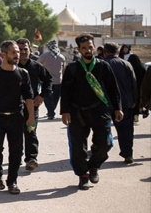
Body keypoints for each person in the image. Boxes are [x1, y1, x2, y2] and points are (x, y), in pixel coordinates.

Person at [60, 33, 123, 190]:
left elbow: (113, 89)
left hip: (99, 109)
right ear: (79, 50)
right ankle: (83, 175)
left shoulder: (103, 66)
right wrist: (65, 111)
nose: (88, 50)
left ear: (94, 47)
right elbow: (65, 91)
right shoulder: (72, 68)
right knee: (77, 147)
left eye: (90, 47)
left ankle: (94, 166)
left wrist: (117, 108)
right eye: (84, 48)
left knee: (105, 143)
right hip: (76, 111)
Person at [0, 40, 35, 194]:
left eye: (18, 51)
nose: (18, 54)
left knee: (16, 151)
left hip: (17, 117)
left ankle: (12, 181)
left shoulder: (23, 74)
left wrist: (31, 117)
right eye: (14, 52)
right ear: (3, 55)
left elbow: (29, 96)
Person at [16, 38, 52, 171]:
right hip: (13, 106)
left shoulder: (36, 67)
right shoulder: (10, 66)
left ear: (30, 50)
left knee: (30, 131)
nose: (23, 52)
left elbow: (48, 81)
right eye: (20, 49)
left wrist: (42, 96)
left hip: (32, 106)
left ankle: (31, 158)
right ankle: (16, 156)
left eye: (25, 49)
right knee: (16, 134)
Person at [103, 42, 137, 164]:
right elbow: (134, 84)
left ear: (105, 51)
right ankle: (128, 154)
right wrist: (133, 101)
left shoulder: (101, 64)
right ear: (118, 51)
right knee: (126, 131)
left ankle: (100, 152)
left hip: (104, 104)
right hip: (125, 104)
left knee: (102, 130)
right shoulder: (126, 64)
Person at [38, 40, 67, 120]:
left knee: (47, 97)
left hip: (46, 80)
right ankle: (51, 111)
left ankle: (51, 112)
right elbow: (64, 69)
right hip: (58, 80)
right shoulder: (62, 57)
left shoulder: (44, 56)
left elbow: (37, 65)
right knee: (55, 98)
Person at [119, 44, 146, 124]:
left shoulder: (133, 57)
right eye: (123, 48)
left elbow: (140, 69)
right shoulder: (120, 57)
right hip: (123, 82)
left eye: (126, 48)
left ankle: (135, 115)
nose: (125, 49)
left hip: (133, 82)